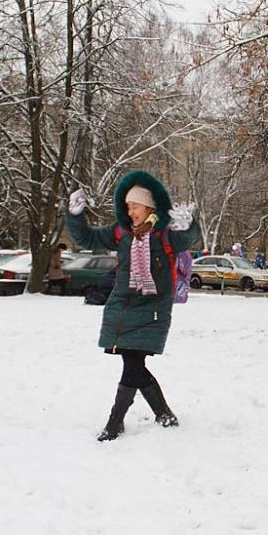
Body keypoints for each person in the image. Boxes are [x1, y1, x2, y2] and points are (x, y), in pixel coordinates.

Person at [66, 170, 201, 442]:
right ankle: (163, 413)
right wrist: (75, 216)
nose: (130, 212)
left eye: (135, 206)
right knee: (134, 365)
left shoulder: (165, 235)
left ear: (149, 207)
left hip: (152, 309)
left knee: (133, 365)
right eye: (127, 206)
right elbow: (88, 239)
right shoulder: (121, 233)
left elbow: (188, 240)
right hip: (122, 307)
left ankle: (115, 422)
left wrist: (188, 226)